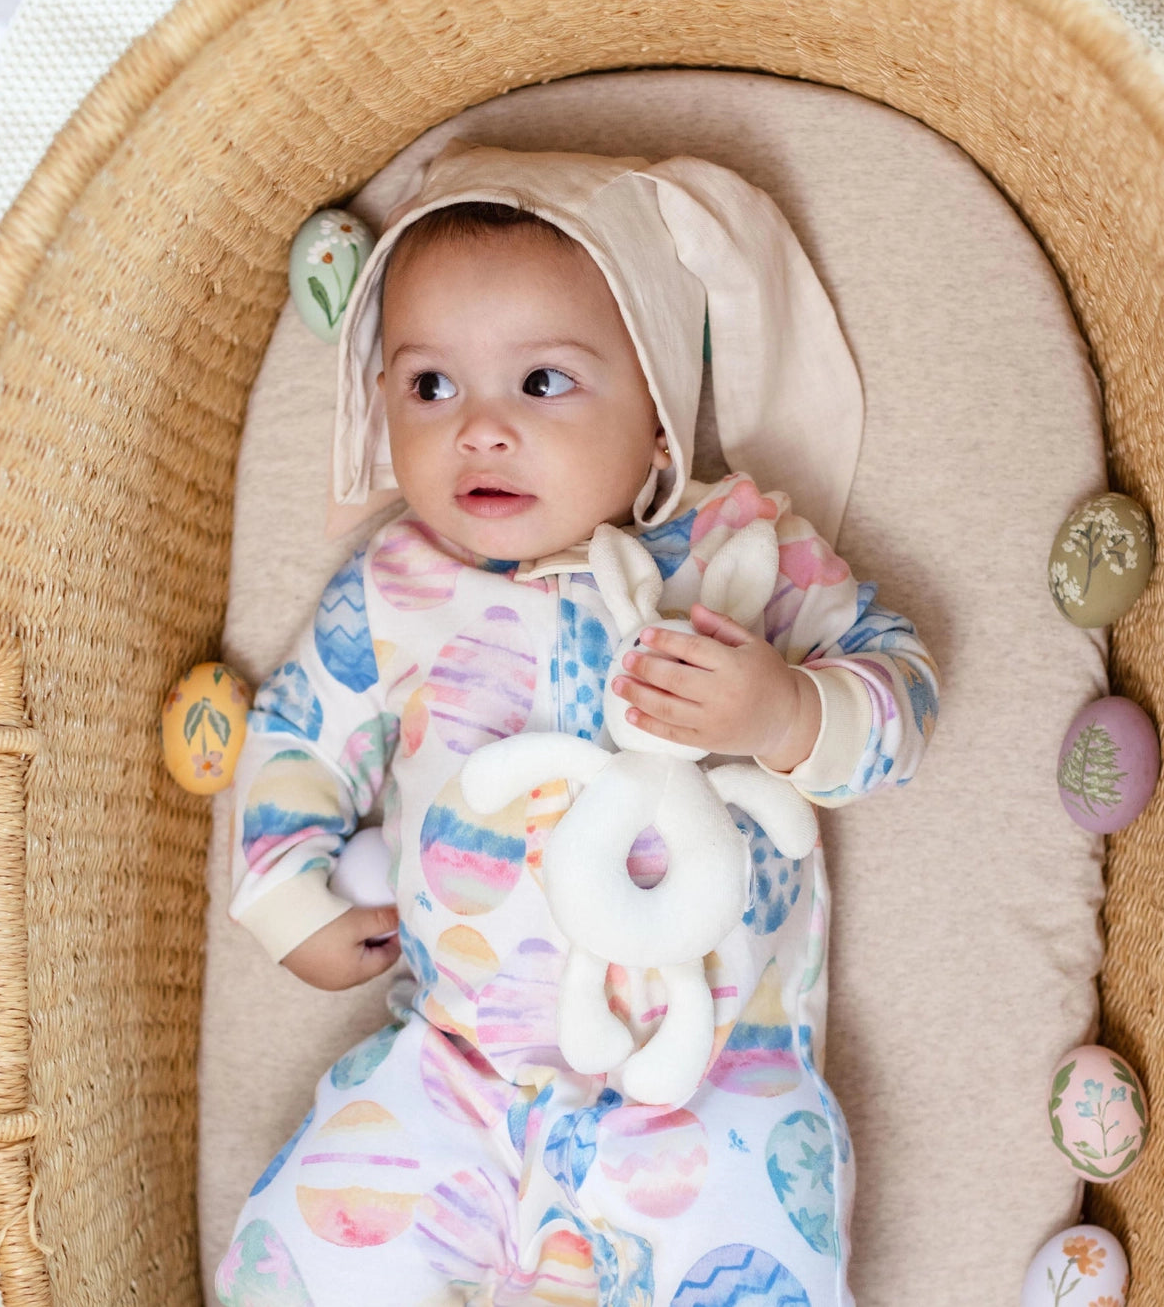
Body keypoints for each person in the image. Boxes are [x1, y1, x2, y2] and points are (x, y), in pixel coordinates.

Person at [215, 142, 939, 1307]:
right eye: (430, 386)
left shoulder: (746, 555)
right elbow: (300, 734)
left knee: (754, 1249)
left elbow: (903, 694)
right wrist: (287, 895)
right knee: (310, 1250)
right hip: (456, 1066)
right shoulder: (393, 587)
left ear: (659, 415)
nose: (480, 428)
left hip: (710, 1075)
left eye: (541, 382)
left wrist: (785, 707)